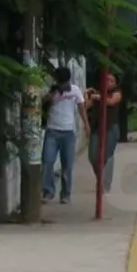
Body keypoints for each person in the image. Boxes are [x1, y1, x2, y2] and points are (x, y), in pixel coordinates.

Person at [41, 66, 89, 204]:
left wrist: (86, 124)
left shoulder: (74, 90)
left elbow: (81, 107)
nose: (63, 85)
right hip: (52, 131)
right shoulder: (52, 91)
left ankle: (65, 194)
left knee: (67, 165)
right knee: (47, 162)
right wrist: (52, 95)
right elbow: (42, 103)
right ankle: (48, 191)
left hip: (69, 132)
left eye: (64, 82)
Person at [86, 72, 123, 192]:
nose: (109, 82)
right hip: (97, 127)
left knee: (107, 155)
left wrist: (99, 97)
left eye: (112, 80)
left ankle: (105, 184)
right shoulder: (96, 93)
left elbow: (111, 101)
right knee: (93, 156)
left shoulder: (116, 92)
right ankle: (100, 178)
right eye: (106, 80)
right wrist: (87, 94)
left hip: (111, 127)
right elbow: (86, 105)